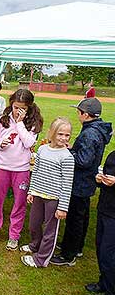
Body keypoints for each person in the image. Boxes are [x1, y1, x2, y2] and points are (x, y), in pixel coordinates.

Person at [51, 98, 112, 266]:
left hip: (80, 183)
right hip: (86, 182)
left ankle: (68, 255)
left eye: (79, 112)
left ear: (85, 115)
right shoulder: (95, 129)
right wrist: (73, 149)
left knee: (74, 219)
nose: (77, 114)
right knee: (82, 217)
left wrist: (67, 152)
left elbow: (84, 160)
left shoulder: (90, 133)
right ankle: (76, 246)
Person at [0, 89, 43, 251]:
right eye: (15, 107)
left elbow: (29, 143)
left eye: (22, 108)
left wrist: (19, 123)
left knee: (19, 203)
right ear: (11, 104)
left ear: (29, 107)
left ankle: (14, 235)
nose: (18, 111)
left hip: (21, 170)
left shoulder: (32, 123)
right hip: (1, 167)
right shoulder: (2, 120)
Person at [20, 117, 74, 268]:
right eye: (60, 134)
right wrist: (31, 191)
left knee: (50, 230)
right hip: (38, 195)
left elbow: (67, 184)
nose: (63, 138)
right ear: (52, 133)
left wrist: (62, 207)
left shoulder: (67, 157)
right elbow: (35, 171)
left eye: (67, 135)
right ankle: (34, 245)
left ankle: (41, 259)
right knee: (34, 224)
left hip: (54, 199)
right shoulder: (42, 149)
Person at [85, 150, 115, 295]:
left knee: (107, 252)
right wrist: (99, 179)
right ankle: (104, 283)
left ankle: (110, 289)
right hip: (104, 208)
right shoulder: (112, 155)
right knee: (100, 247)